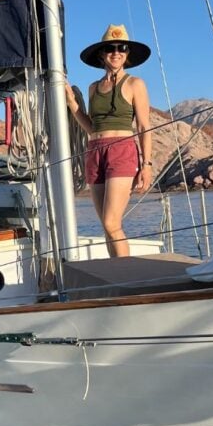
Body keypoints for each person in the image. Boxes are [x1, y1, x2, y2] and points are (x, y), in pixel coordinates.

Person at [65, 24, 153, 257]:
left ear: (127, 54)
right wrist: (72, 104)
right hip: (95, 151)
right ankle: (116, 269)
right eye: (110, 48)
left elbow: (144, 126)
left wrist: (147, 165)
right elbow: (92, 127)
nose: (116, 52)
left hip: (122, 151)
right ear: (102, 54)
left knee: (111, 222)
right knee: (106, 226)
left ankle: (126, 273)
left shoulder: (135, 84)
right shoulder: (93, 88)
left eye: (122, 48)